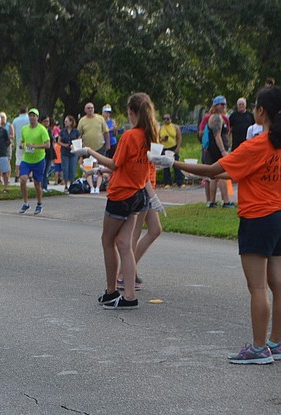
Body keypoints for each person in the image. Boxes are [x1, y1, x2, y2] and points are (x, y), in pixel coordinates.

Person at [153, 86, 281, 364]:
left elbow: (213, 170)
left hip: (257, 217)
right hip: (277, 216)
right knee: (277, 283)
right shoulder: (273, 144)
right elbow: (231, 170)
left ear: (261, 111)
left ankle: (259, 348)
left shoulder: (256, 145)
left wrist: (174, 164)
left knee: (258, 287)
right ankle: (276, 342)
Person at [74, 92, 162, 310]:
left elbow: (115, 164)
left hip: (121, 194)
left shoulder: (130, 136)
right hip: (137, 194)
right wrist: (98, 168)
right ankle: (129, 295)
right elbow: (127, 165)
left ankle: (112, 290)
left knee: (108, 240)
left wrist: (89, 151)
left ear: (131, 112)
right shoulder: (151, 135)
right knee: (124, 244)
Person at [18, 108, 50, 215]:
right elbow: (22, 140)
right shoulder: (24, 129)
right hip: (26, 159)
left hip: (39, 160)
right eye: (30, 115)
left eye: (34, 116)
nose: (32, 117)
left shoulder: (42, 129)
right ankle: (26, 203)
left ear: (37, 117)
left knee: (37, 184)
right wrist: (22, 144)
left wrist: (35, 146)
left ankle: (39, 204)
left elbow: (47, 145)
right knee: (23, 180)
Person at [159, 113, 184, 188]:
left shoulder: (175, 127)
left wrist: (178, 148)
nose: (166, 120)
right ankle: (167, 182)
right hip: (164, 148)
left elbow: (179, 138)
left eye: (168, 119)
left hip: (173, 147)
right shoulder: (161, 128)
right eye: (164, 119)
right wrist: (162, 139)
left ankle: (180, 182)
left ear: (170, 119)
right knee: (166, 166)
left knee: (176, 164)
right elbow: (157, 139)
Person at [58, 115, 81, 191]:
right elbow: (59, 141)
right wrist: (65, 145)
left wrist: (74, 145)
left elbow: (79, 140)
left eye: (67, 121)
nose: (65, 123)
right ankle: (65, 185)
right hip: (64, 152)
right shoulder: (62, 131)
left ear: (71, 122)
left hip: (73, 152)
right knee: (65, 168)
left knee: (72, 168)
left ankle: (72, 184)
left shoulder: (76, 131)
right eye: (65, 121)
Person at [11, 106, 29, 182]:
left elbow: (13, 132)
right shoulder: (29, 119)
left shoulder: (15, 120)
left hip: (19, 140)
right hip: (29, 141)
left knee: (18, 158)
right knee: (28, 158)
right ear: (27, 111)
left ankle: (17, 174)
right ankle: (30, 175)